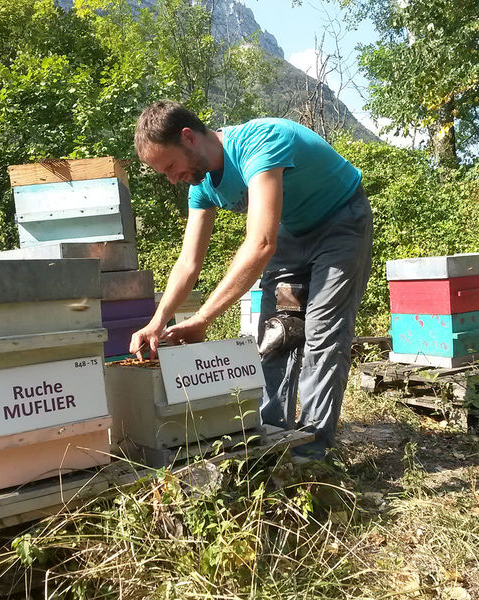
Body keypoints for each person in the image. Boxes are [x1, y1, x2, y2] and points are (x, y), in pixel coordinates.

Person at [130, 100, 373, 459]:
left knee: (322, 335)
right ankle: (271, 442)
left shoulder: (259, 142)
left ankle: (311, 456)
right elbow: (188, 263)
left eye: (170, 166)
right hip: (293, 234)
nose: (171, 179)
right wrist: (157, 321)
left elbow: (260, 243)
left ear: (188, 138)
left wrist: (203, 318)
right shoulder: (202, 187)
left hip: (341, 224)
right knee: (275, 336)